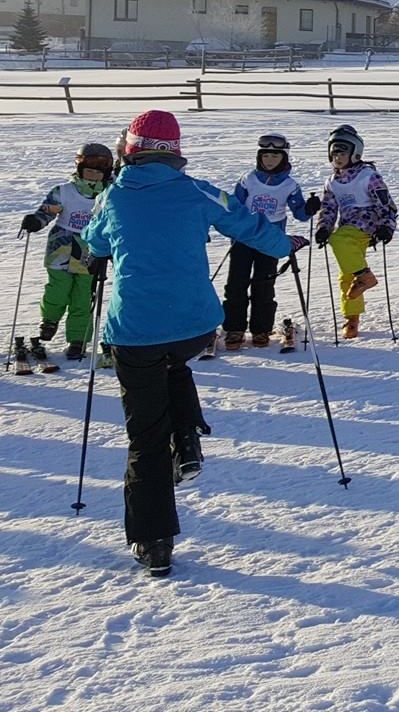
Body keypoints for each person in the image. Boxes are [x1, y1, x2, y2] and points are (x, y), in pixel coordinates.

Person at [81, 110, 306, 578]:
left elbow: (92, 242)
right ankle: (185, 436)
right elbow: (247, 223)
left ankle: (153, 540)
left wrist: (101, 253)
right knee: (175, 360)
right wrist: (287, 247)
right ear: (175, 150)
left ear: (130, 149)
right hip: (195, 327)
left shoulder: (113, 197)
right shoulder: (198, 189)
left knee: (145, 438)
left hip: (135, 331)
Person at [17, 143, 114, 366]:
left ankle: (78, 339)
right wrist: (35, 221)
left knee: (83, 295)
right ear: (79, 169)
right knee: (58, 289)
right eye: (88, 171)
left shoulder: (110, 195)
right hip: (61, 246)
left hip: (90, 250)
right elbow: (47, 211)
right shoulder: (64, 191)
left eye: (98, 173)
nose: (92, 177)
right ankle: (49, 320)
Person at [222, 134, 317, 350]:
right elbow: (235, 206)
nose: (270, 160)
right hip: (243, 238)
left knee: (264, 286)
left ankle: (261, 329)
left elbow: (300, 214)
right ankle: (234, 328)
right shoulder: (248, 179)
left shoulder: (290, 185)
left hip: (270, 241)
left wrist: (310, 208)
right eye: (265, 155)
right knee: (236, 284)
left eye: (275, 155)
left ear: (283, 158)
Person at [314, 125, 398, 338]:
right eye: (334, 153)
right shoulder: (332, 182)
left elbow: (386, 204)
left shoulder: (368, 176)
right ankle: (352, 319)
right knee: (346, 276)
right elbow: (329, 208)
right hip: (348, 229)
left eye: (342, 153)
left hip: (368, 226)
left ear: (355, 153)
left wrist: (387, 227)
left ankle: (366, 277)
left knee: (338, 240)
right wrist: (323, 227)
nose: (338, 158)